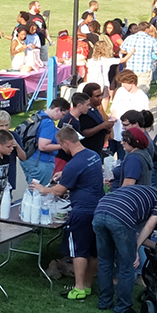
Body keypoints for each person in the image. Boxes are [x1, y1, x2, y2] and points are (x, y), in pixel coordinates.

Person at [33, 127, 105, 301]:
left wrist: (43, 189)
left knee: (79, 251)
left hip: (82, 211)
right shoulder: (93, 155)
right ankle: (87, 285)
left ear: (66, 142)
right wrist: (65, 174)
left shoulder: (74, 163)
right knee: (93, 250)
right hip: (99, 207)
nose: (60, 148)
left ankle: (78, 288)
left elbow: (58, 191)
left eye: (60, 144)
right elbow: (83, 175)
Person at [92, 180, 157, 313]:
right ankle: (122, 308)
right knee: (127, 266)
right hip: (119, 217)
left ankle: (104, 302)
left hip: (100, 212)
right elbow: (149, 225)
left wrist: (149, 245)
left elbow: (127, 231)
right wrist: (135, 249)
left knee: (105, 262)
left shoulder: (140, 191)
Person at [22, 98, 70, 186]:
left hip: (28, 158)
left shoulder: (39, 114)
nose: (62, 118)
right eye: (63, 114)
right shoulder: (48, 123)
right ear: (57, 109)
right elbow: (43, 146)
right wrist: (62, 145)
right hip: (40, 162)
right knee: (39, 193)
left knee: (31, 190)